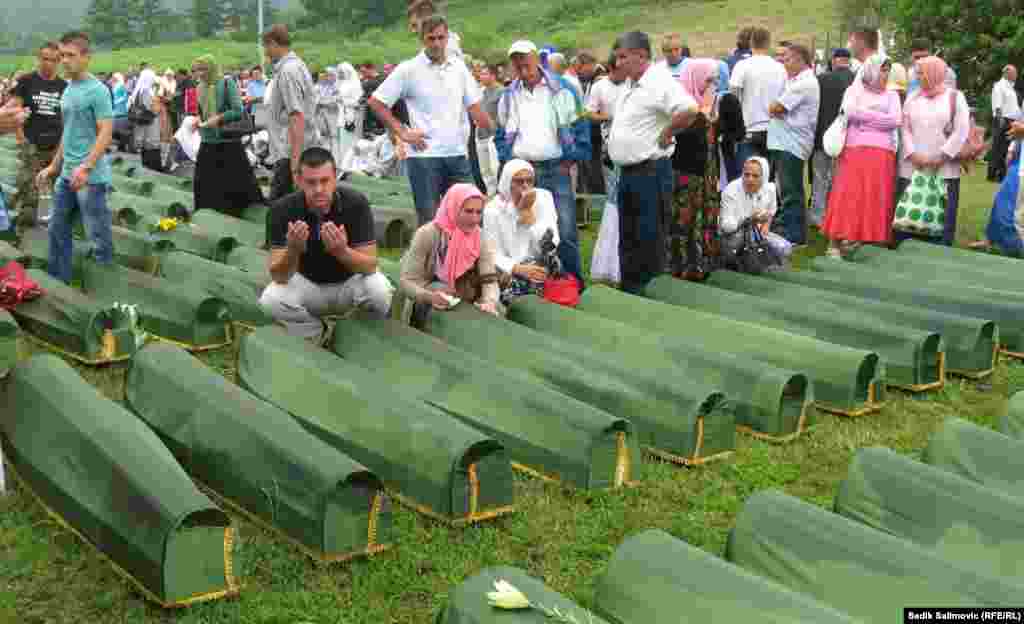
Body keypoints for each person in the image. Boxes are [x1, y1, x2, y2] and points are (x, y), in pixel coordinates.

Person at [260, 147, 392, 343]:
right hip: (308, 286)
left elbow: (370, 265)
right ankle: (314, 332)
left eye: (325, 181)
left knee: (379, 289)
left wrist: (342, 251)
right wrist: (293, 250)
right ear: (298, 180)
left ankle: (357, 336)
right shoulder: (281, 210)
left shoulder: (356, 203)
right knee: (271, 299)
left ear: (335, 177)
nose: (319, 189)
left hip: (348, 284)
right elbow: (279, 275)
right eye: (311, 182)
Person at [369, 15, 492, 225]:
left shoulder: (459, 68)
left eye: (440, 38)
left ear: (447, 38)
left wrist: (493, 130)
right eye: (431, 38)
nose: (436, 43)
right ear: (422, 40)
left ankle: (468, 258)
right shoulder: (408, 69)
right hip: (423, 156)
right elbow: (376, 102)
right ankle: (433, 258)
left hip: (456, 153)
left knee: (473, 218)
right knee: (431, 223)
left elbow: (475, 107)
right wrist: (402, 132)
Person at [608, 31, 698, 294]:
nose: (619, 62)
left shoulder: (659, 81)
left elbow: (689, 109)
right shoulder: (630, 84)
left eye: (623, 56)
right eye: (618, 57)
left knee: (649, 238)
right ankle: (631, 292)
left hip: (650, 172)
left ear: (641, 56)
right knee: (628, 238)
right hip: (628, 173)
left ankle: (650, 295)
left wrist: (668, 132)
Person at [496, 39, 591, 283]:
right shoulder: (508, 95)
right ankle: (539, 281)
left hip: (554, 167)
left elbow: (580, 127)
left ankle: (572, 284)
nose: (521, 65)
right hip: (522, 171)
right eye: (516, 60)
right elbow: (500, 132)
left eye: (525, 59)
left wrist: (570, 159)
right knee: (522, 226)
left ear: (537, 58)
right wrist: (508, 159)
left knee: (566, 229)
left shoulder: (562, 89)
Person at [35, 31, 114, 285]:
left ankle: (106, 287)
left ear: (86, 57)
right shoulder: (68, 90)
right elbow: (67, 134)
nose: (64, 61)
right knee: (58, 230)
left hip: (90, 178)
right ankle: (59, 283)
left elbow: (106, 132)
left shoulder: (98, 90)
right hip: (67, 174)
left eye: (70, 55)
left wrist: (86, 168)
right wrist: (53, 167)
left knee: (97, 236)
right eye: (62, 56)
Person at [821, 54, 901, 256]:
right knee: (848, 195)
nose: (885, 74)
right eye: (882, 69)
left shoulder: (892, 95)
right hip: (854, 151)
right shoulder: (853, 90)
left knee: (874, 197)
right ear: (871, 69)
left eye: (887, 70)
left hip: (882, 154)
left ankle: (864, 240)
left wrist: (865, 117)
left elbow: (895, 120)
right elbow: (850, 112)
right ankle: (836, 242)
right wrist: (878, 118)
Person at [399, 183, 501, 325]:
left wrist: (489, 301)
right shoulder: (428, 234)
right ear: (453, 208)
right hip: (429, 297)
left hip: (468, 295)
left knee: (497, 311)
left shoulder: (480, 237)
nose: (474, 219)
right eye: (468, 211)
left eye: (478, 212)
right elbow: (407, 281)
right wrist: (429, 296)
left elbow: (489, 279)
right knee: (439, 288)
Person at [896, 56, 969, 247]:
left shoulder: (955, 97)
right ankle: (904, 249)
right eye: (917, 73)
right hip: (913, 166)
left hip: (944, 169)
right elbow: (905, 128)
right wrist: (912, 153)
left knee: (942, 215)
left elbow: (962, 130)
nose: (917, 77)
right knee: (909, 213)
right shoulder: (912, 98)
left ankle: (939, 251)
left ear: (934, 73)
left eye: (921, 73)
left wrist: (942, 156)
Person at [188, 54, 264, 218]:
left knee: (234, 182)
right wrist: (198, 121)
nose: (200, 73)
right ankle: (209, 214)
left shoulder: (226, 83)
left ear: (212, 68)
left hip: (228, 141)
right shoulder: (199, 87)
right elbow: (201, 113)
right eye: (198, 70)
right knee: (204, 182)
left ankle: (238, 213)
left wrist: (219, 118)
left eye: (204, 69)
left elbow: (238, 110)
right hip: (208, 140)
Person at [483, 159, 560, 304]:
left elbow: (551, 244)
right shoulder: (493, 209)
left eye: (529, 181)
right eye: (519, 181)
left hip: (539, 262)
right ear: (507, 182)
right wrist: (516, 268)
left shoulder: (543, 199)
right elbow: (491, 252)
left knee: (540, 275)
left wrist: (529, 217)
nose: (525, 186)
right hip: (507, 268)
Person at [263, 24, 323, 202]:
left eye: (266, 46)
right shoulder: (294, 66)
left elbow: (296, 115)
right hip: (292, 150)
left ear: (274, 43)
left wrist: (295, 164)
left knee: (280, 210)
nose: (266, 52)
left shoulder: (289, 71)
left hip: (290, 152)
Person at [767, 43, 820, 246]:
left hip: (792, 143)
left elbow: (777, 107)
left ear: (799, 60)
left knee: (791, 191)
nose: (784, 62)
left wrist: (773, 106)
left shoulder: (804, 83)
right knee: (787, 189)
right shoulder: (795, 81)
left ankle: (794, 234)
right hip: (786, 142)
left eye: (787, 59)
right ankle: (788, 229)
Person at [10, 42, 67, 228]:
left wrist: (60, 149)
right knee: (29, 192)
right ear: (38, 58)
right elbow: (14, 112)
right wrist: (22, 141)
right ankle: (22, 230)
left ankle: (52, 233)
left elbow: (67, 120)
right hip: (30, 144)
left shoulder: (64, 87)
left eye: (53, 60)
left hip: (55, 147)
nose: (48, 63)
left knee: (58, 193)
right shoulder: (26, 81)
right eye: (45, 59)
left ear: (59, 61)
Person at [587, 52, 628, 284]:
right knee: (613, 201)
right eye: (621, 70)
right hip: (610, 149)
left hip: (630, 149)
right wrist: (608, 117)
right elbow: (588, 112)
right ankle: (609, 259)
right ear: (612, 68)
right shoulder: (600, 86)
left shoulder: (632, 84)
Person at [809, 48, 855, 228]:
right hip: (847, 138)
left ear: (834, 61)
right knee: (840, 180)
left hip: (822, 136)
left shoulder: (821, 79)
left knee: (821, 178)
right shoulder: (857, 80)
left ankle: (818, 216)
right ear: (848, 61)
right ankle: (838, 217)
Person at [729, 27, 787, 164]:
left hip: (748, 129)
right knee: (770, 180)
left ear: (751, 43)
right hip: (774, 129)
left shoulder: (741, 66)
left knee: (749, 179)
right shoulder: (780, 68)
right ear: (769, 44)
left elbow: (733, 99)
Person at [719, 156, 792, 260]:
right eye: (746, 175)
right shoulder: (730, 191)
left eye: (755, 176)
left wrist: (766, 225)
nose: (750, 179)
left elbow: (771, 210)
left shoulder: (769, 188)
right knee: (740, 249)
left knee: (785, 248)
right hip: (732, 238)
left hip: (755, 235)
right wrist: (749, 219)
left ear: (764, 177)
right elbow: (726, 227)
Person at [475, 64, 502, 195]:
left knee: (495, 168)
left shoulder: (501, 92)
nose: (481, 76)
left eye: (485, 74)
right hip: (480, 135)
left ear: (493, 76)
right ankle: (490, 196)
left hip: (493, 136)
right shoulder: (481, 92)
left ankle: (498, 195)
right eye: (481, 74)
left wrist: (496, 128)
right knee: (485, 171)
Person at [989, 65, 1020, 182]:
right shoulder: (999, 86)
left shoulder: (1010, 87)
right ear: (1007, 73)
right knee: (999, 148)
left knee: (1006, 148)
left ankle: (1002, 173)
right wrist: (1000, 119)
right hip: (1002, 119)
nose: (1016, 75)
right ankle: (995, 174)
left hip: (1011, 120)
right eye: (1014, 73)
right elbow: (997, 104)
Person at [129, 68, 163, 172]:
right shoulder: (147, 92)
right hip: (150, 126)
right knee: (151, 150)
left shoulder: (139, 91)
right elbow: (155, 110)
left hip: (143, 126)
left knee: (145, 150)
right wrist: (158, 100)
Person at [315, 67, 344, 170]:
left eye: (331, 75)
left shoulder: (336, 87)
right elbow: (316, 100)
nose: (328, 77)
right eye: (327, 75)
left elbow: (337, 100)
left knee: (334, 137)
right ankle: (324, 160)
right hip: (321, 114)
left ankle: (335, 161)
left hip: (332, 114)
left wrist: (325, 102)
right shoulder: (318, 86)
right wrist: (324, 102)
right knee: (324, 137)